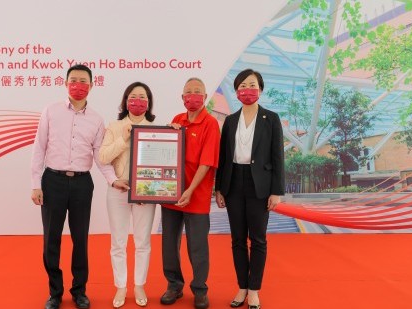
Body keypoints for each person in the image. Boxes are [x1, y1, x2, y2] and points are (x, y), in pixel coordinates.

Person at [31, 64, 129, 309]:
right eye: (73, 80)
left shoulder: (96, 119)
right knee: (51, 239)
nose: (78, 85)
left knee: (80, 239)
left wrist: (112, 179)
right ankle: (55, 292)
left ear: (91, 86)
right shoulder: (51, 111)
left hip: (82, 184)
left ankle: (79, 291)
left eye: (83, 81)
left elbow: (100, 156)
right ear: (65, 83)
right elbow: (39, 148)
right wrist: (36, 184)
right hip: (52, 181)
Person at [215, 69, 285, 309]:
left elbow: (278, 157)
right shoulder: (230, 120)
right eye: (242, 85)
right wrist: (219, 189)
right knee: (236, 239)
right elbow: (223, 157)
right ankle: (242, 287)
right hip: (233, 182)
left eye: (252, 84)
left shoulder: (271, 119)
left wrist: (276, 191)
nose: (247, 89)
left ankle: (254, 290)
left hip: (260, 185)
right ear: (236, 91)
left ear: (260, 89)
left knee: (257, 239)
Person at [160, 78, 220, 309]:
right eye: (188, 92)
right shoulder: (177, 120)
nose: (192, 96)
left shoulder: (211, 123)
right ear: (182, 97)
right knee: (169, 244)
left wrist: (190, 189)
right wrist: (167, 133)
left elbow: (206, 163)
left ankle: (200, 289)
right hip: (170, 193)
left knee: (197, 245)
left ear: (205, 97)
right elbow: (165, 150)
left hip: (196, 195)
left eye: (197, 92)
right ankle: (174, 285)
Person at [99, 82, 157, 308]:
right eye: (133, 97)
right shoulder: (114, 126)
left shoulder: (157, 128)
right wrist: (124, 138)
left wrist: (173, 134)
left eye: (143, 97)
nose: (138, 101)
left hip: (146, 193)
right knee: (118, 242)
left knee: (143, 241)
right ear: (125, 101)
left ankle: (139, 284)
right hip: (118, 191)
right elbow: (103, 157)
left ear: (149, 102)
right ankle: (121, 286)